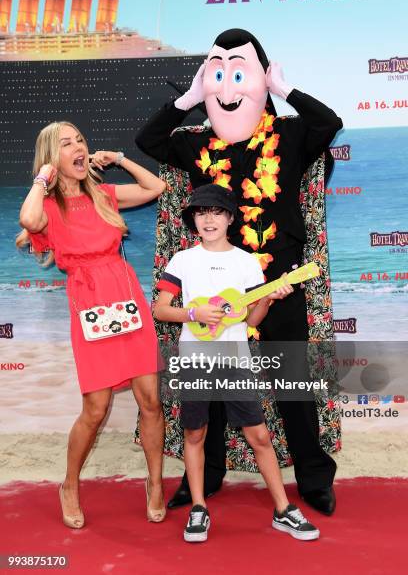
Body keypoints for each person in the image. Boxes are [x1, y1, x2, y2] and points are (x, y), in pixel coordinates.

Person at [135, 29, 343, 515]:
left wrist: (283, 89)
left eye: (238, 73)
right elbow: (147, 140)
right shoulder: (195, 146)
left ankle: (313, 479)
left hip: (277, 286)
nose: (227, 91)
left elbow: (329, 121)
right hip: (213, 290)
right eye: (217, 74)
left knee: (293, 384)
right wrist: (187, 99)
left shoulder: (290, 136)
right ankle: (203, 477)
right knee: (208, 388)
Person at [16, 121, 167, 528]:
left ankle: (154, 483)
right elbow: (29, 220)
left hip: (126, 295)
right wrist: (42, 179)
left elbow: (156, 188)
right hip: (90, 303)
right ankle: (69, 485)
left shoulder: (104, 196)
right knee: (96, 407)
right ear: (53, 157)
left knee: (150, 400)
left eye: (80, 140)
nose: (79, 147)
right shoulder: (47, 209)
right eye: (67, 144)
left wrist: (119, 159)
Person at [154, 183, 320, 542]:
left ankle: (283, 509)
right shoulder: (183, 260)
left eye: (216, 212)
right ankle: (198, 508)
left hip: (235, 361)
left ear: (230, 218)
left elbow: (251, 321)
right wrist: (193, 311)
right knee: (194, 432)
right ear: (193, 220)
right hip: (195, 360)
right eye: (201, 212)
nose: (208, 219)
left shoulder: (246, 262)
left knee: (259, 435)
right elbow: (160, 308)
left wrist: (270, 298)